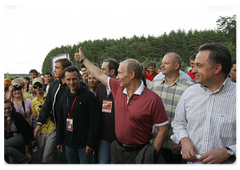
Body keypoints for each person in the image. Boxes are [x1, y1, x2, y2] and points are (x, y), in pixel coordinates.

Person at [75, 47, 168, 165]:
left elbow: (163, 130)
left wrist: (151, 154)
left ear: (132, 74)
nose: (117, 77)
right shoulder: (117, 87)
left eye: (120, 73)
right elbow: (99, 74)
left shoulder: (153, 99)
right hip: (117, 150)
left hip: (139, 153)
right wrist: (83, 59)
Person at [171, 43, 237, 165]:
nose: (194, 70)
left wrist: (228, 152)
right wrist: (184, 140)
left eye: (199, 66)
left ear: (217, 68)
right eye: (194, 65)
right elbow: (178, 123)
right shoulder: (190, 92)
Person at [149, 52, 194, 164]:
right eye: (162, 63)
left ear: (176, 66)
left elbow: (191, 119)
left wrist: (180, 141)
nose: (162, 66)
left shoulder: (188, 87)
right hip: (155, 141)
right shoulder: (155, 83)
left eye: (166, 63)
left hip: (176, 145)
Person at [56, 66, 101, 165]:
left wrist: (90, 143)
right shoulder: (64, 97)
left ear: (79, 78)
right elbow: (60, 120)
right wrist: (59, 140)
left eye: (74, 79)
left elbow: (95, 121)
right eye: (68, 79)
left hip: (84, 144)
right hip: (69, 143)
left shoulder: (89, 96)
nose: (71, 82)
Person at [34, 58, 72, 164]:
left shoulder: (74, 86)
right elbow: (47, 105)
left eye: (57, 67)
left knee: (71, 158)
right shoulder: (54, 85)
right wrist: (39, 123)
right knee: (61, 156)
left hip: (73, 130)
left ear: (65, 70)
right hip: (58, 127)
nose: (54, 70)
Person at [96, 59, 119, 164]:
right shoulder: (100, 87)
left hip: (119, 137)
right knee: (103, 162)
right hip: (103, 136)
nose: (101, 72)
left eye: (103, 69)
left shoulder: (122, 88)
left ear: (112, 72)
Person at [31, 78, 56, 164]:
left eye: (39, 85)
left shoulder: (50, 97)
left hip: (51, 129)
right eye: (35, 86)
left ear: (43, 86)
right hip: (40, 131)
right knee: (40, 156)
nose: (38, 88)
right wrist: (34, 116)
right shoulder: (33, 101)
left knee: (47, 157)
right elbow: (33, 116)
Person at [2, 99, 33, 165]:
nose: (7, 111)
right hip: (12, 137)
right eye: (4, 109)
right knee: (13, 163)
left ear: (12, 107)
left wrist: (27, 152)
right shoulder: (2, 118)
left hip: (23, 136)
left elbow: (26, 134)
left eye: (9, 108)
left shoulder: (17, 116)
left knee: (2, 147)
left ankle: (24, 160)